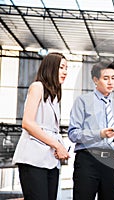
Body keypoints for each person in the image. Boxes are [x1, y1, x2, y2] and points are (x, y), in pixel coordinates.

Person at [68, 61, 114, 200]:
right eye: (106, 78)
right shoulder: (82, 101)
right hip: (87, 160)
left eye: (113, 78)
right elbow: (73, 134)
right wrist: (99, 134)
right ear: (95, 80)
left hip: (111, 161)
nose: (110, 82)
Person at [12, 52, 70, 200]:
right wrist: (57, 145)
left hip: (50, 161)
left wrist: (60, 147)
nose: (65, 72)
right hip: (33, 158)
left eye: (66, 68)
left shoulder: (55, 96)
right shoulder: (37, 87)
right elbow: (27, 123)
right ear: (50, 67)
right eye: (61, 67)